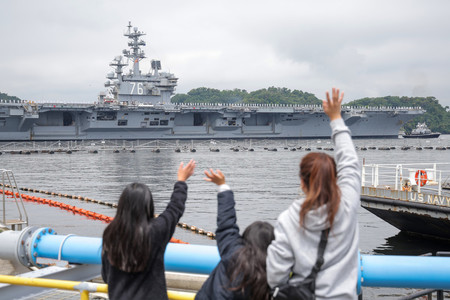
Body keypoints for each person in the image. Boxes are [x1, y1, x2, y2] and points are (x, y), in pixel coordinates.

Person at [266, 88, 361, 299]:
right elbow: (350, 164)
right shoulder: (348, 205)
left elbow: (274, 277)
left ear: (302, 182)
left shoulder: (289, 218)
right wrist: (336, 118)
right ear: (335, 177)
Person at [101, 159, 196, 300]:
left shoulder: (110, 234)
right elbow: (175, 208)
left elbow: (105, 276)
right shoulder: (156, 230)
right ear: (148, 205)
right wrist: (181, 181)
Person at [195, 169, 275, 300]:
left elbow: (226, 223)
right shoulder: (274, 274)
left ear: (245, 239)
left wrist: (222, 186)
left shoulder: (233, 252)